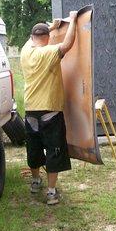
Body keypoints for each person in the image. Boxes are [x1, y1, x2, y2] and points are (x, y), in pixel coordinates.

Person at [20, 11, 78, 205]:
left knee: (34, 147)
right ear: (47, 38)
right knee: (54, 149)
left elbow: (33, 38)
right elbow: (67, 45)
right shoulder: (48, 52)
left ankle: (36, 181)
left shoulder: (25, 51)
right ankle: (51, 192)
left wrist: (51, 27)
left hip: (30, 110)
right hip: (50, 111)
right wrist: (74, 20)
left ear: (32, 37)